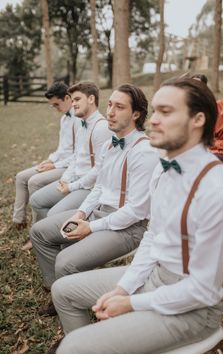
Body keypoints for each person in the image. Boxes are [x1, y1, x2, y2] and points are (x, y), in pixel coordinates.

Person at [50, 78, 223, 354]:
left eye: (167, 112)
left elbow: (204, 291)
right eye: (156, 111)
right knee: (63, 291)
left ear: (198, 119)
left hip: (194, 309)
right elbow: (151, 237)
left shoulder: (220, 189)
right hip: (153, 274)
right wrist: (124, 288)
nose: (154, 121)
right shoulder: (163, 169)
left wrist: (131, 303)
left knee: (71, 348)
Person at [30, 83, 159, 316]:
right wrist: (81, 213)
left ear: (136, 114)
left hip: (128, 227)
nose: (110, 111)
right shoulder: (110, 144)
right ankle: (57, 289)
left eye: (119, 107)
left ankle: (72, 303)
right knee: (39, 232)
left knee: (65, 262)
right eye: (110, 104)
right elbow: (99, 186)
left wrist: (90, 227)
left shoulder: (145, 151)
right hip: (98, 212)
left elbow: (136, 211)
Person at [29, 81, 111, 221]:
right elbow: (75, 158)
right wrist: (65, 179)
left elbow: (100, 171)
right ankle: (46, 234)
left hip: (89, 187)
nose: (73, 104)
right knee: (36, 200)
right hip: (74, 180)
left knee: (52, 215)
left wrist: (71, 187)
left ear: (91, 99)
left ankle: (53, 234)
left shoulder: (101, 127)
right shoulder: (82, 126)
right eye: (72, 100)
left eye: (77, 99)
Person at [12, 81, 78, 250]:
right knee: (21, 177)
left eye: (57, 104)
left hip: (70, 167)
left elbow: (78, 156)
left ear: (67, 98)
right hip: (59, 163)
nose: (55, 108)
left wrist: (55, 165)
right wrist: (50, 160)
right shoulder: (65, 119)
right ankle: (18, 220)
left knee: (34, 181)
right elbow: (62, 149)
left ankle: (37, 233)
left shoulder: (79, 119)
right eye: (52, 106)